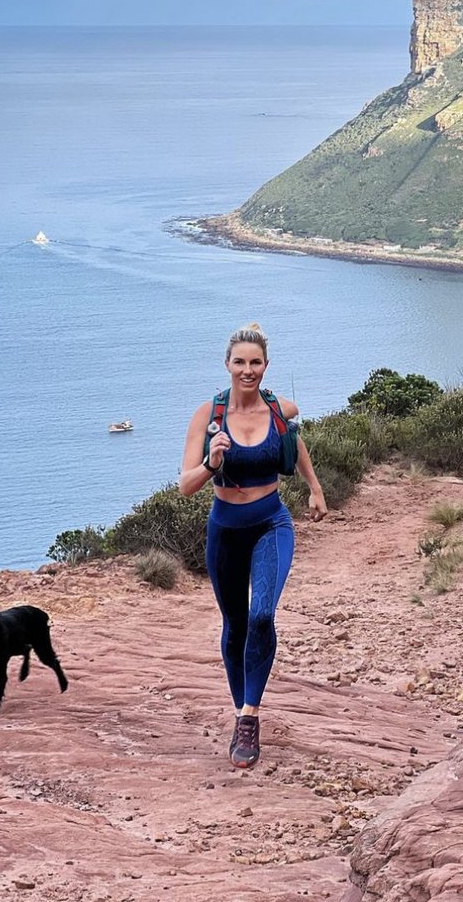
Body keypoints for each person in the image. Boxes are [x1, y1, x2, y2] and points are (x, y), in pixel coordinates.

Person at [180, 322, 326, 768]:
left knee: (262, 614)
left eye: (256, 362)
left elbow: (294, 442)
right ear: (227, 365)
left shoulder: (279, 408)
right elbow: (186, 486)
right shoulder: (209, 415)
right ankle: (239, 702)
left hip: (271, 522)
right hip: (225, 526)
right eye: (240, 362)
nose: (248, 370)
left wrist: (315, 489)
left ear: (266, 366)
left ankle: (249, 717)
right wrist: (212, 461)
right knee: (235, 623)